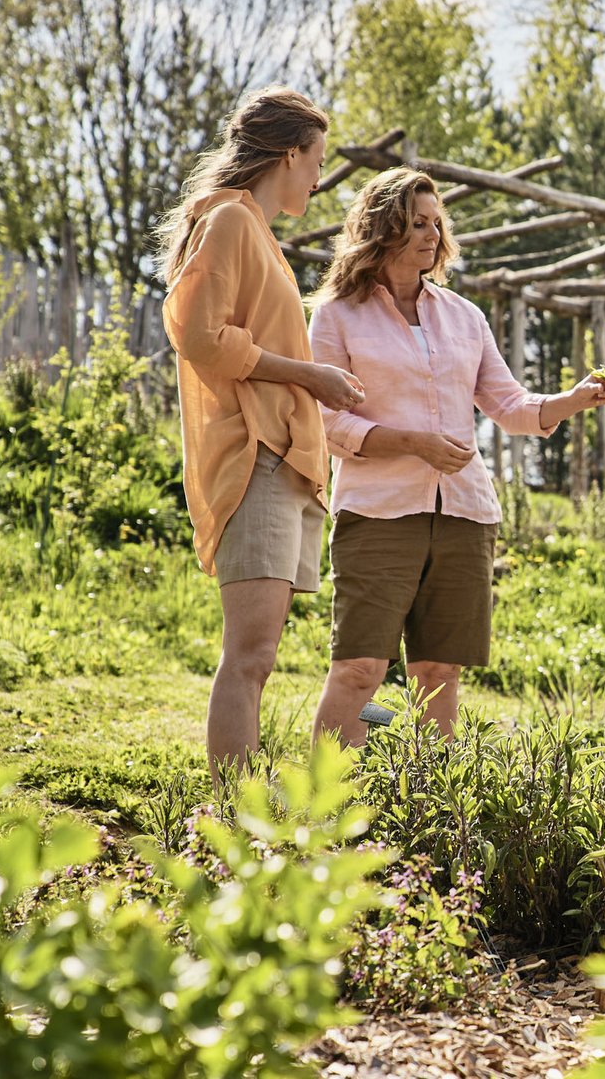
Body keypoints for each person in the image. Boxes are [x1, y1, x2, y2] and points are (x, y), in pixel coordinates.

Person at [308, 168, 605, 746]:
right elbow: (324, 420)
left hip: (464, 514)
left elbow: (510, 405)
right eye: (416, 223)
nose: (431, 234)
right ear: (382, 228)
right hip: (377, 511)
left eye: (435, 223)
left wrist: (573, 398)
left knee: (439, 673)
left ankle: (432, 813)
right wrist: (410, 442)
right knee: (359, 670)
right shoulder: (337, 315)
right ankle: (325, 812)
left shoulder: (464, 316)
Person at [158, 85, 365, 781]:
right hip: (255, 458)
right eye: (317, 160)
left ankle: (241, 811)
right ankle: (234, 821)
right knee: (248, 655)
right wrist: (310, 377)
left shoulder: (255, 230)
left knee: (261, 655)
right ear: (287, 154)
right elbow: (199, 336)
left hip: (282, 457)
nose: (319, 175)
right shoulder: (229, 222)